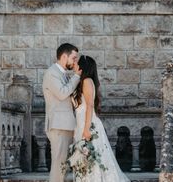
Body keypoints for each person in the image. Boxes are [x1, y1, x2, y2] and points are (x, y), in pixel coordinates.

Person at [72, 55, 130, 182]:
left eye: (77, 62)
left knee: (94, 158)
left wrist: (86, 129)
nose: (74, 64)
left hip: (88, 125)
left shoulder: (87, 81)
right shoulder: (80, 81)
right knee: (84, 159)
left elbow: (90, 105)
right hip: (81, 124)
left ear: (83, 66)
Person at [43, 43, 81, 182]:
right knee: (58, 165)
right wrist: (76, 77)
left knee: (63, 166)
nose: (75, 61)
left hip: (66, 125)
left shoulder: (62, 74)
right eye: (74, 58)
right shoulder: (51, 73)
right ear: (64, 56)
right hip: (58, 126)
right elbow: (62, 93)